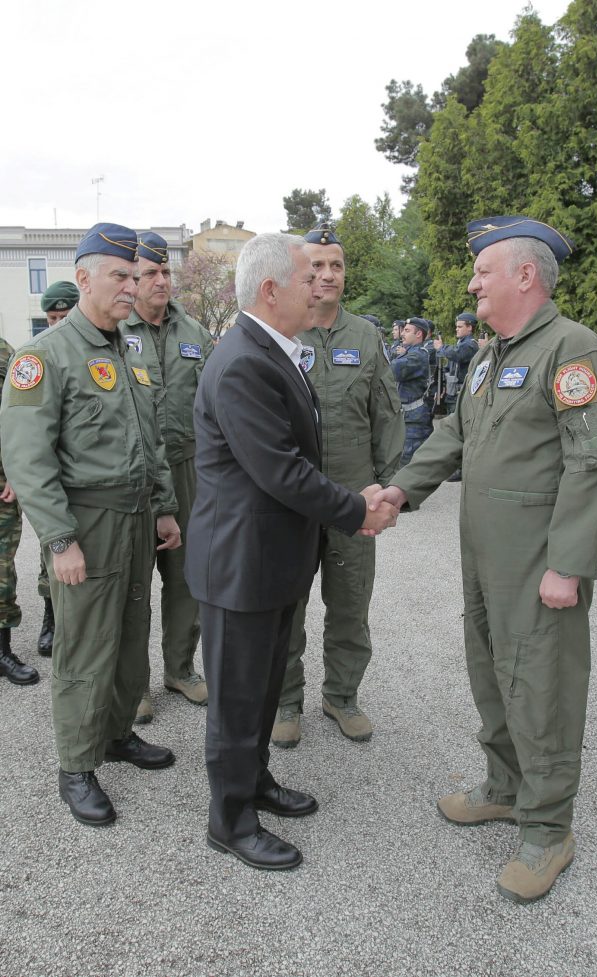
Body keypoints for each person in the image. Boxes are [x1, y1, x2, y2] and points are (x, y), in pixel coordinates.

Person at [374, 216, 597, 905]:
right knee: (490, 669)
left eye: (482, 271)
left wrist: (568, 565)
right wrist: (402, 488)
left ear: (524, 275)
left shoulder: (572, 351)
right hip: (485, 554)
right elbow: (456, 431)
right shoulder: (491, 355)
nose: (471, 284)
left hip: (538, 560)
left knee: (541, 684)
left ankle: (548, 829)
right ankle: (505, 786)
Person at [184, 233, 397, 871]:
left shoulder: (273, 351)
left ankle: (255, 783)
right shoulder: (244, 361)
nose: (319, 287)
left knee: (260, 686)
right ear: (271, 290)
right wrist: (357, 510)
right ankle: (230, 821)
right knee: (236, 700)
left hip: (269, 560)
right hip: (240, 564)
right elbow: (281, 470)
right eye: (308, 277)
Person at [0, 222, 182, 827]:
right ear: (83, 278)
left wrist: (164, 506)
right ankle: (76, 766)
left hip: (136, 518)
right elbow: (27, 459)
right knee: (84, 645)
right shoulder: (44, 357)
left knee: (131, 633)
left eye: (136, 276)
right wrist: (59, 540)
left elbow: (152, 436)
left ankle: (117, 734)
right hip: (86, 523)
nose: (133, 286)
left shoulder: (131, 347)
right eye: (120, 276)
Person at [270, 224, 403, 750]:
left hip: (354, 501)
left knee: (350, 606)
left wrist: (387, 488)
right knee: (286, 606)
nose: (327, 275)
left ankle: (342, 696)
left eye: (337, 266)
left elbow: (387, 414)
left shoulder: (366, 336)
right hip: (291, 501)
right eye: (317, 266)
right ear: (299, 273)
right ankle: (285, 700)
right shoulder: (281, 331)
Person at [123, 231, 214, 722]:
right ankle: (134, 685)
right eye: (149, 274)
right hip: (135, 473)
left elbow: (216, 402)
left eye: (165, 272)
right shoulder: (116, 330)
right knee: (135, 583)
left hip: (187, 469)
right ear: (131, 279)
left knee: (185, 580)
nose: (160, 281)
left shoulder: (194, 332)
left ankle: (180, 669)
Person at [35, 280, 80, 657]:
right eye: (52, 318)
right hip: (52, 478)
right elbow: (25, 433)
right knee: (49, 555)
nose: (58, 323)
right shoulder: (39, 355)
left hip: (83, 480)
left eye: (64, 316)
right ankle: (50, 621)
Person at [0, 336, 39, 686]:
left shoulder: (4, 354)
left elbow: (18, 414)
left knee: (0, 567)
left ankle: (1, 651)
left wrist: (14, 468)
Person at [433, 311, 479, 481]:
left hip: (463, 393)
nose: (457, 329)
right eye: (456, 326)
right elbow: (449, 365)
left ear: (470, 328)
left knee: (462, 431)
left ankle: (462, 468)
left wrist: (441, 348)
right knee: (454, 430)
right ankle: (456, 466)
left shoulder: (470, 345)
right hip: (454, 392)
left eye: (460, 327)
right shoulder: (460, 344)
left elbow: (457, 355)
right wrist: (442, 386)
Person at [390, 316, 433, 466]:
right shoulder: (408, 351)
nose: (402, 334)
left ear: (419, 334)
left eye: (407, 331)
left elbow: (393, 369)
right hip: (407, 416)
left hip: (414, 419)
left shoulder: (419, 354)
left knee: (409, 461)